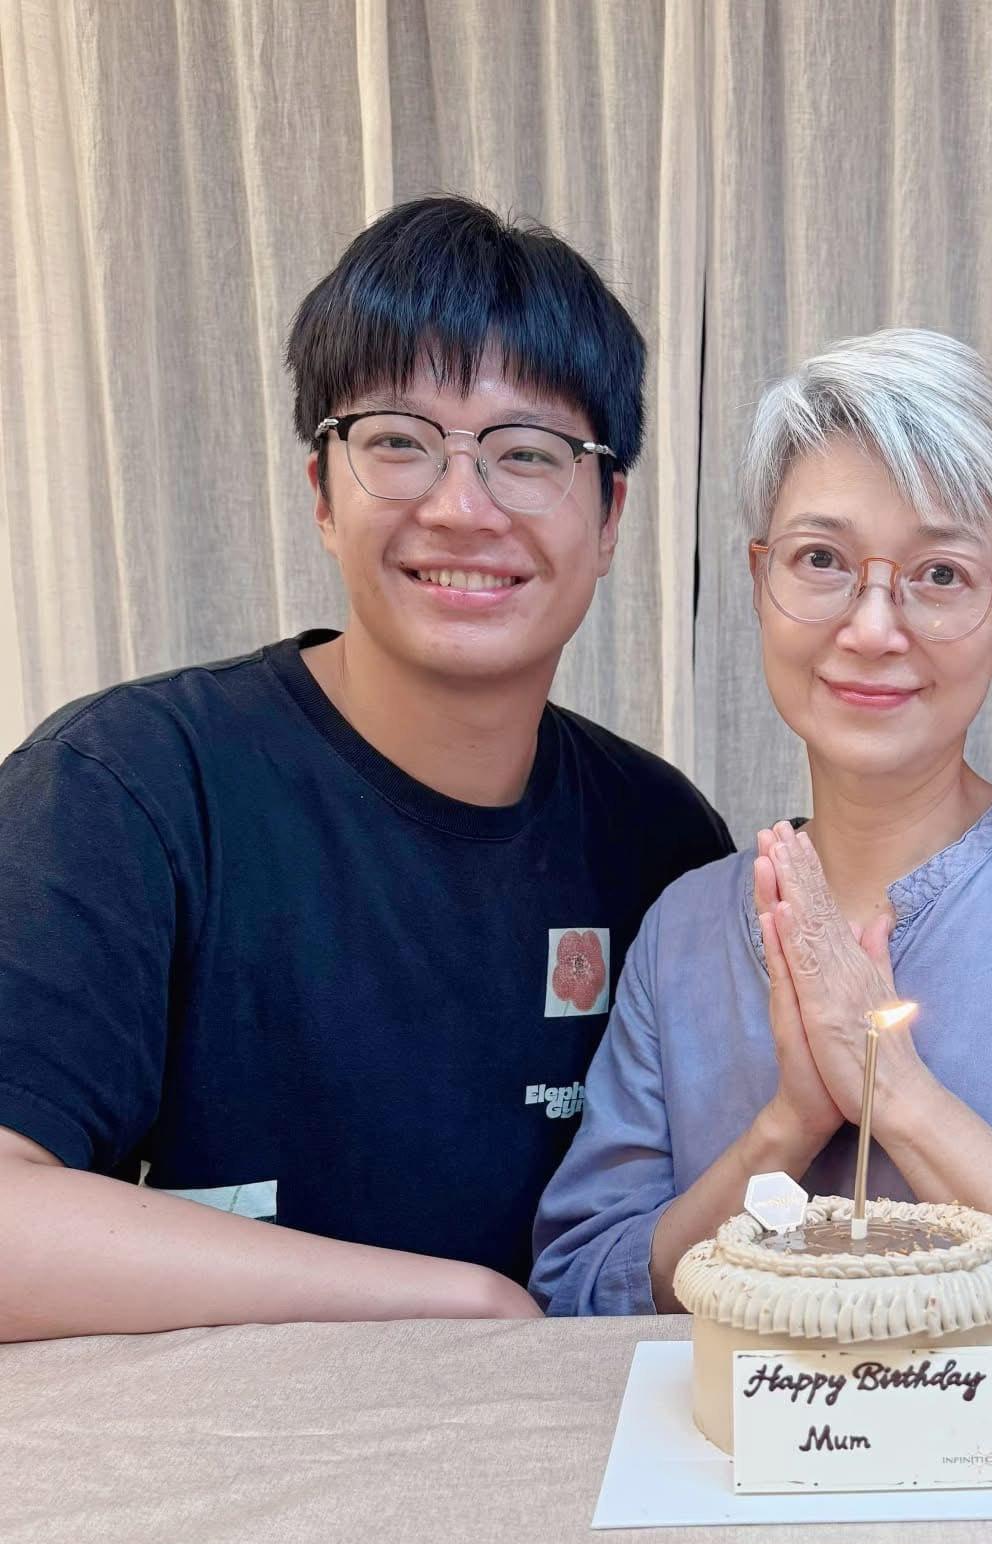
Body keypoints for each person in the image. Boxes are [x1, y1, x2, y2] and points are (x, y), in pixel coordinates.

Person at [0, 196, 730, 1342]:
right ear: (321, 495)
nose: (461, 506)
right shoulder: (127, 787)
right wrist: (460, 1300)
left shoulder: (660, 839)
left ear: (608, 518)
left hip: (580, 1444)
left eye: (526, 453)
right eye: (397, 441)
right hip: (232, 1443)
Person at [529, 328, 992, 1317]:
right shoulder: (683, 929)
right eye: (820, 559)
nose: (872, 628)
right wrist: (788, 1124)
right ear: (760, 580)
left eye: (941, 574)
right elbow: (582, 1292)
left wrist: (896, 1092)